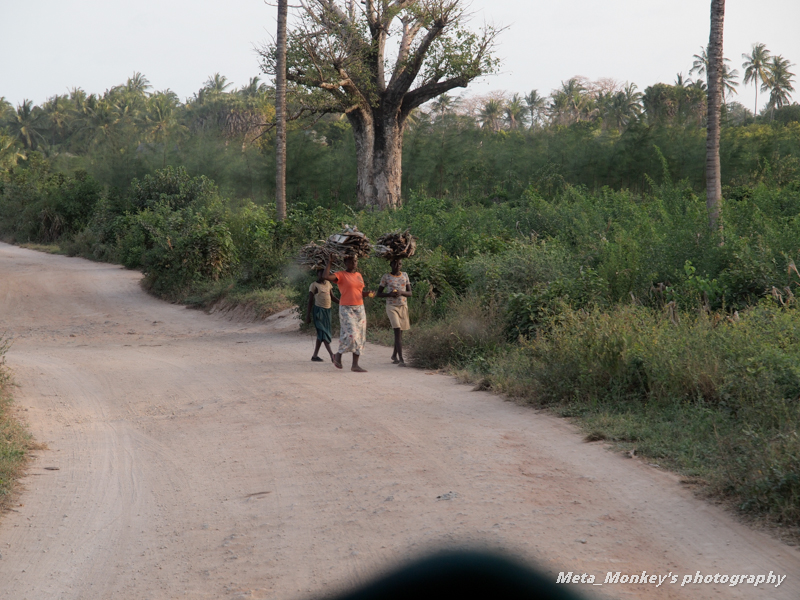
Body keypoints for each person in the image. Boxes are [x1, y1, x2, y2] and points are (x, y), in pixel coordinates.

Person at [321, 254, 373, 372]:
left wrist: (368, 293)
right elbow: (325, 276)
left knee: (360, 336)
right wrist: (329, 262)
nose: (354, 263)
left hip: (359, 308)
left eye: (355, 261)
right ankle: (338, 355)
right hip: (346, 308)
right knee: (352, 335)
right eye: (351, 261)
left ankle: (355, 365)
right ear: (345, 263)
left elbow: (359, 292)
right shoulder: (341, 275)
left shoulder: (359, 275)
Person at [377, 258, 412, 365]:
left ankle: (394, 355)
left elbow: (410, 293)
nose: (397, 266)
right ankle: (401, 359)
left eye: (400, 263)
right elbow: (378, 293)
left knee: (400, 333)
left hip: (402, 306)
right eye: (395, 263)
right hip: (391, 307)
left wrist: (401, 292)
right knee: (397, 330)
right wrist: (389, 294)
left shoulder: (405, 275)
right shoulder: (386, 277)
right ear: (390, 264)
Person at [305, 268, 339, 362]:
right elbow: (310, 301)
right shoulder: (314, 285)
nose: (322, 276)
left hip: (327, 312)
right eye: (320, 274)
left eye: (324, 274)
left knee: (321, 334)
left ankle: (315, 356)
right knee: (323, 334)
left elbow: (332, 297)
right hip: (318, 312)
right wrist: (308, 316)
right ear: (317, 275)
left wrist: (343, 303)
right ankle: (332, 355)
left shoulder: (328, 284)